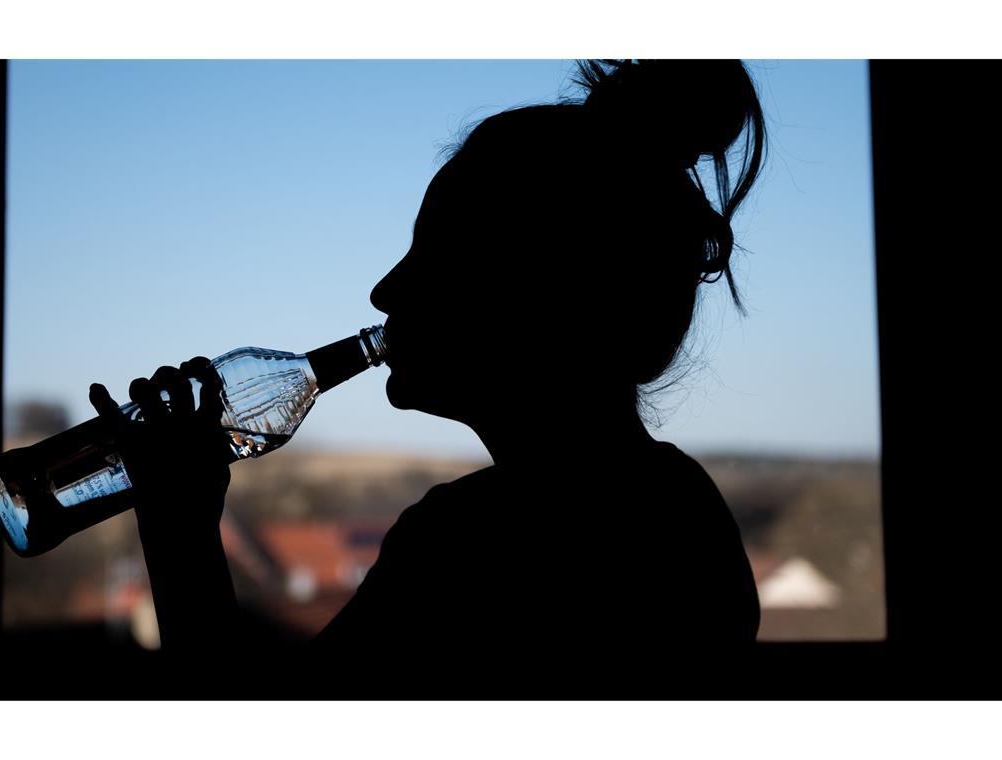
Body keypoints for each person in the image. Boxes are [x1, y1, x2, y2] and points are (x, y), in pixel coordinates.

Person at [89, 59, 767, 695]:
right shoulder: (681, 511)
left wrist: (178, 532)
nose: (384, 291)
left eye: (433, 257)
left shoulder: (469, 546)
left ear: (535, 295)